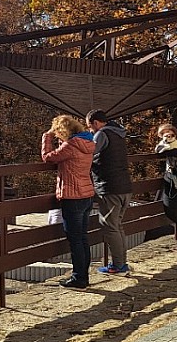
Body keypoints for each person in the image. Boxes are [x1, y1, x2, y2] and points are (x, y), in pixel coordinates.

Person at [41, 115, 96, 289]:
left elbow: (48, 158)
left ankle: (79, 278)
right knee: (83, 237)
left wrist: (47, 137)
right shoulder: (87, 143)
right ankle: (83, 276)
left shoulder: (71, 145)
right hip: (87, 194)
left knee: (75, 240)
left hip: (73, 197)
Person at [86, 109, 133, 275]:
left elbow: (88, 153)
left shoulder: (101, 134)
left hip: (110, 187)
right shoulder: (119, 134)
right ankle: (122, 263)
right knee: (117, 226)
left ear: (96, 123)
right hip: (124, 187)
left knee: (111, 227)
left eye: (90, 127)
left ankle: (118, 266)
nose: (90, 131)